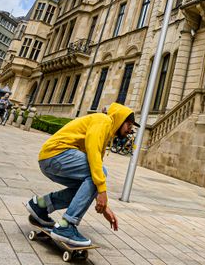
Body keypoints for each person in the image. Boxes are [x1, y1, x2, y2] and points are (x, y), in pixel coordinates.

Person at [26, 102, 137, 248]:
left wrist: (104, 205)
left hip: (50, 159)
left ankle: (41, 205)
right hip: (57, 154)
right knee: (101, 172)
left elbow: (92, 177)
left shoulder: (105, 130)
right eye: (129, 125)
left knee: (85, 188)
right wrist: (102, 191)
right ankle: (66, 225)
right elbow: (94, 156)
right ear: (121, 120)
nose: (130, 130)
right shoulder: (103, 121)